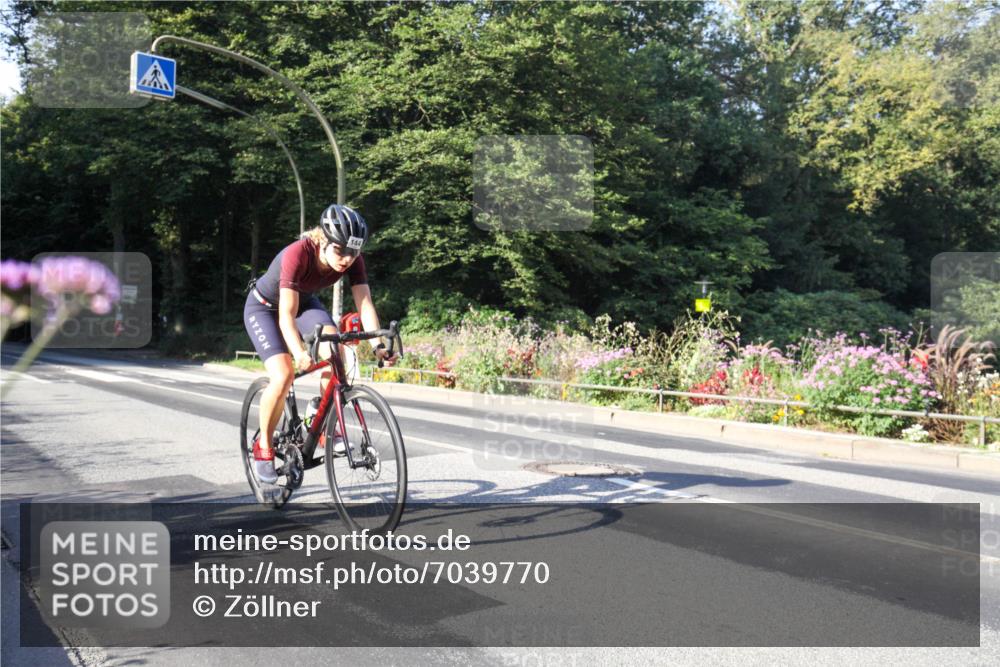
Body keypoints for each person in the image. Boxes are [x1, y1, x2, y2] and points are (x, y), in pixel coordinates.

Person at [243, 204, 397, 483]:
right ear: (322, 240)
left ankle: (325, 425)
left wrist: (378, 344)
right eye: (341, 251)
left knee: (335, 349)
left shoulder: (352, 258)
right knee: (283, 374)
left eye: (354, 252)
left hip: (304, 303)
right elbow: (285, 315)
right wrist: (299, 352)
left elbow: (364, 305)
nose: (347, 259)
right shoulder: (297, 254)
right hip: (264, 308)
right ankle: (263, 446)